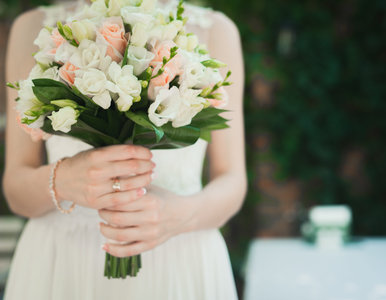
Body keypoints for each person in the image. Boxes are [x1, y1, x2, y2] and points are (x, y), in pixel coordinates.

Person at [2, 0, 246, 299]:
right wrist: (63, 178)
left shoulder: (216, 31)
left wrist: (178, 216)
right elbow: (15, 191)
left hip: (178, 255)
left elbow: (233, 180)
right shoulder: (32, 28)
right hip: (63, 261)